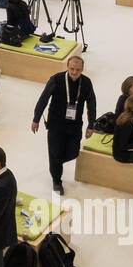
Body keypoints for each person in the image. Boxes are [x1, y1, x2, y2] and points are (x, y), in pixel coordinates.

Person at [32, 54, 96, 193]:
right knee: (55, 152)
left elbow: (92, 104)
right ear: (67, 67)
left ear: (82, 69)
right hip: (56, 124)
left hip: (75, 125)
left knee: (73, 152)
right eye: (72, 68)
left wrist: (91, 125)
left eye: (78, 70)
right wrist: (36, 118)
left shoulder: (86, 83)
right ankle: (57, 180)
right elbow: (44, 99)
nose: (74, 72)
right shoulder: (56, 79)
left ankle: (55, 164)